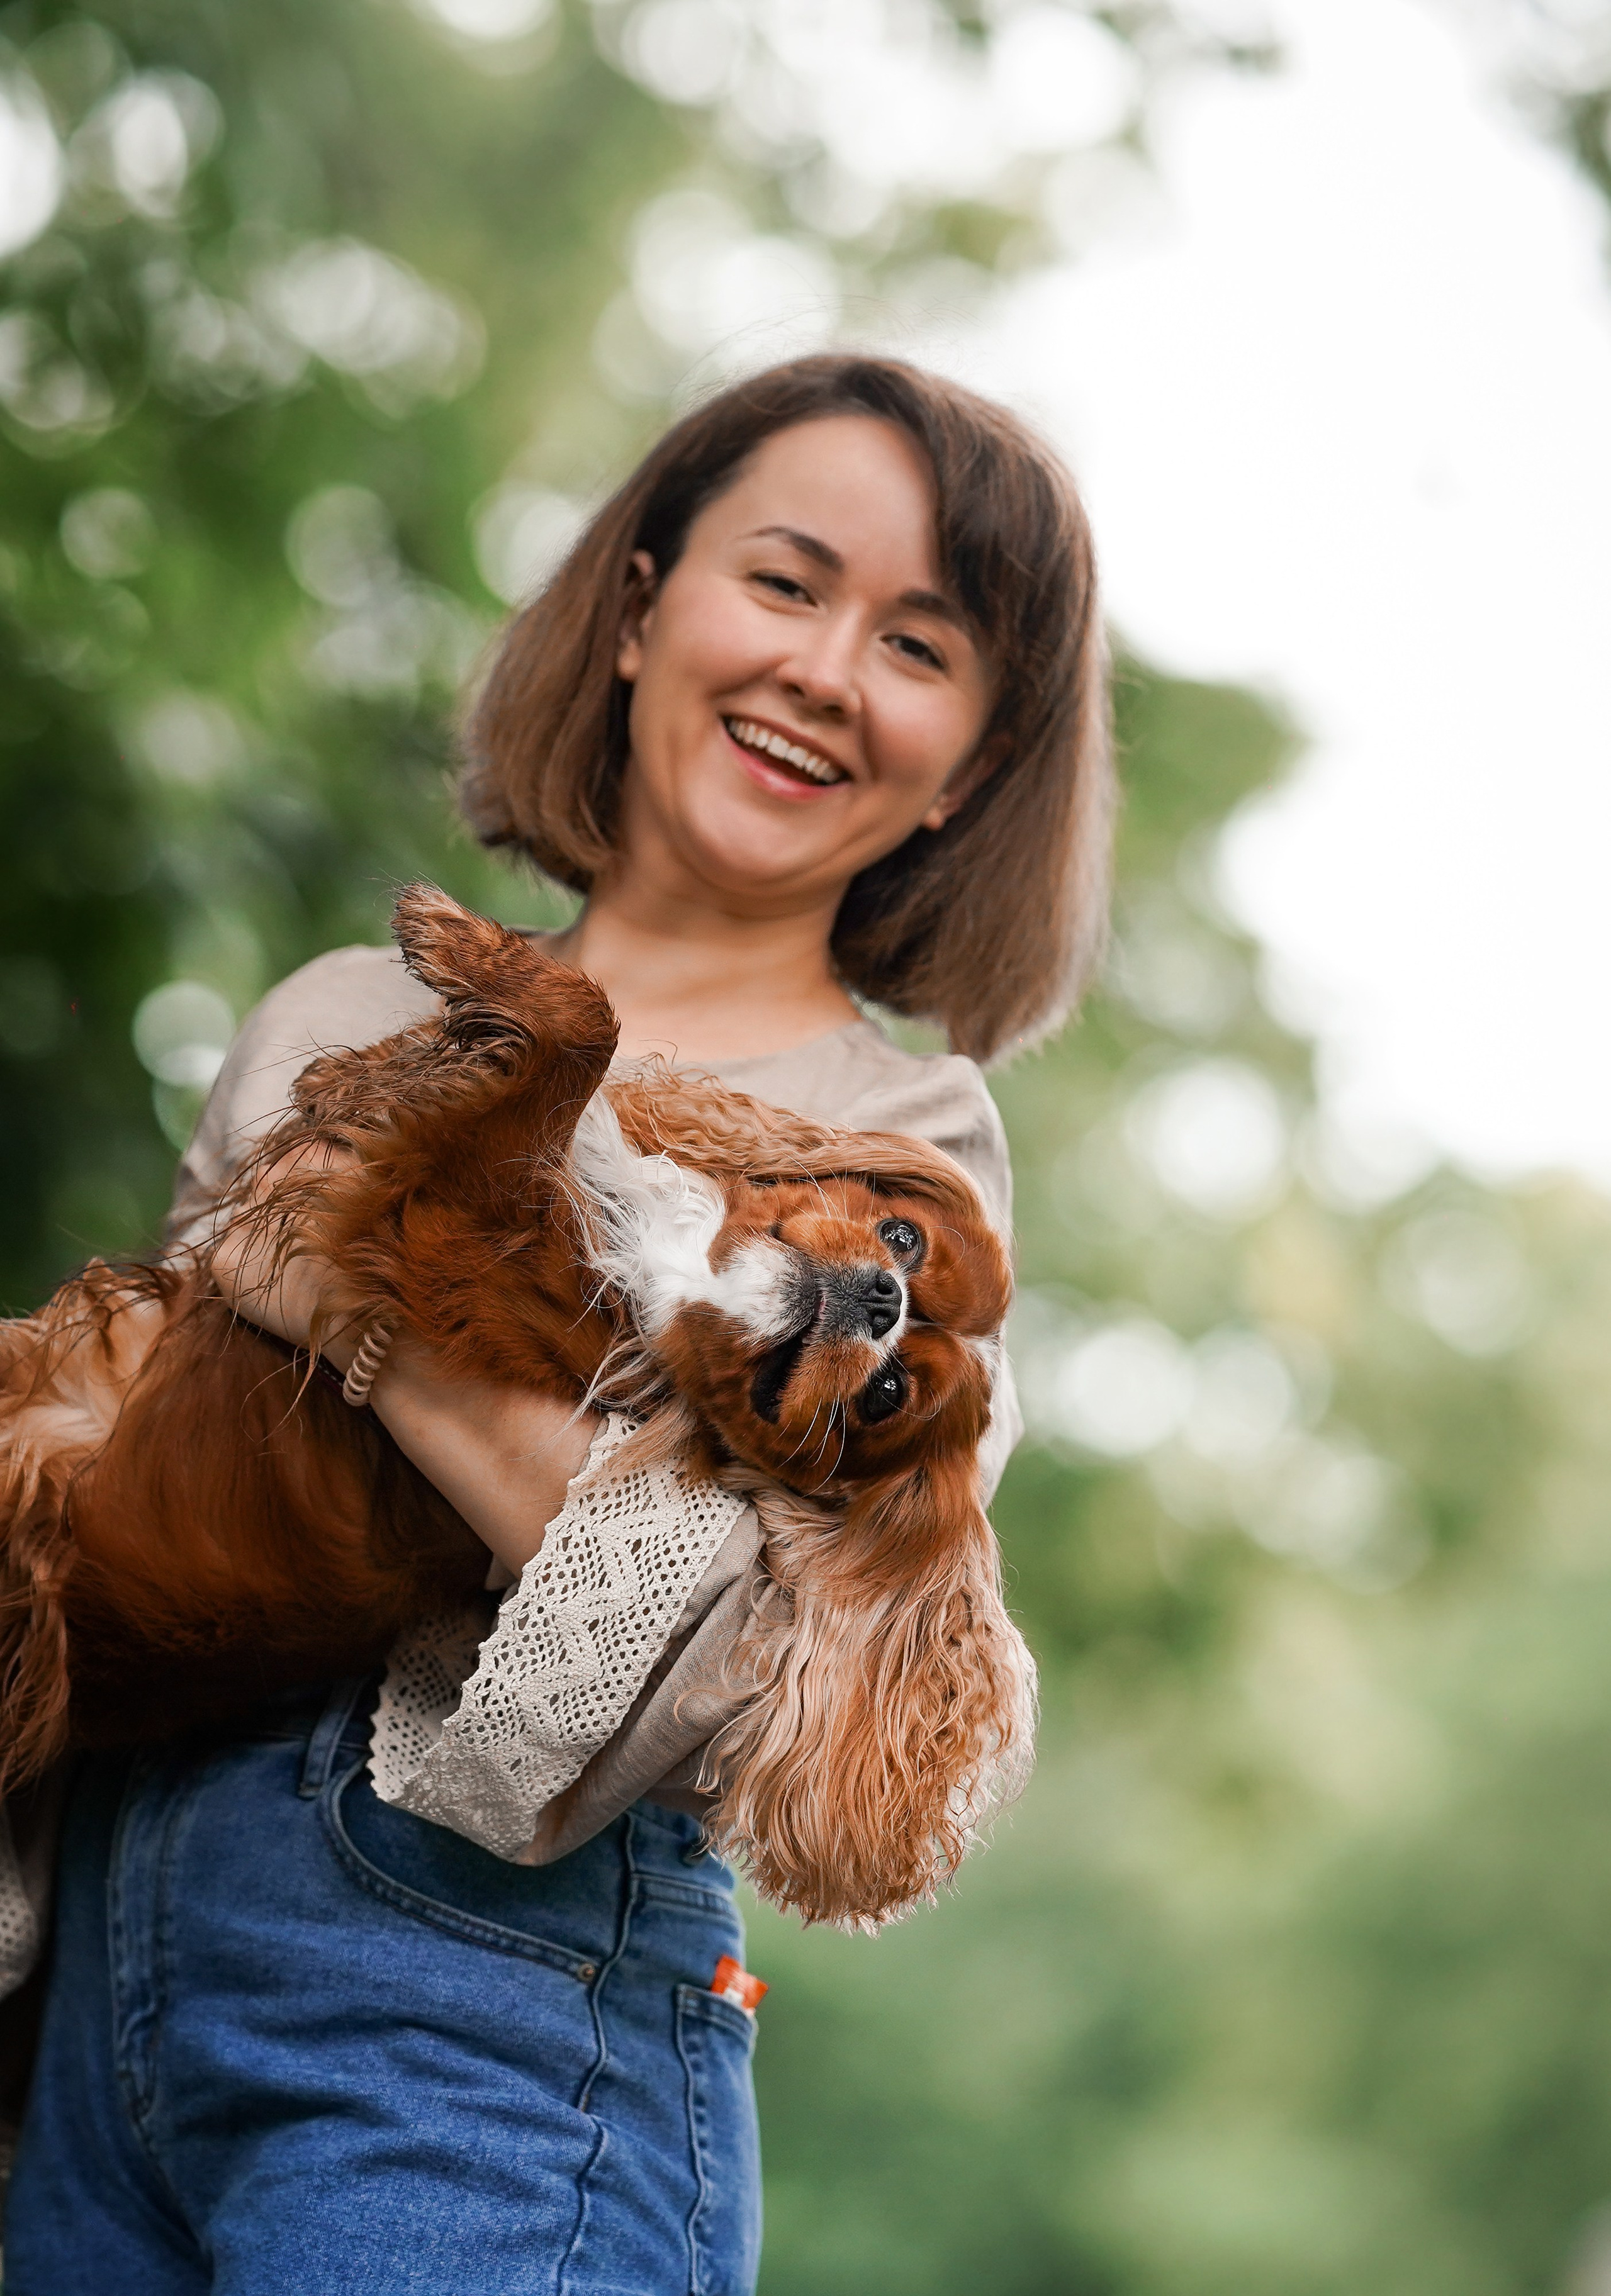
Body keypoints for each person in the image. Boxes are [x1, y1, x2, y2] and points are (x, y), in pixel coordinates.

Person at [2, 353, 1111, 2295]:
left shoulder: (902, 1150)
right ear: (637, 610)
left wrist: (366, 1309)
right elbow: (130, 1483)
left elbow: (720, 1663)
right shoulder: (335, 1009)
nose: (826, 670)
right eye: (786, 582)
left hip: (480, 2013)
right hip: (106, 1971)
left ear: (969, 765)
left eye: (919, 645)